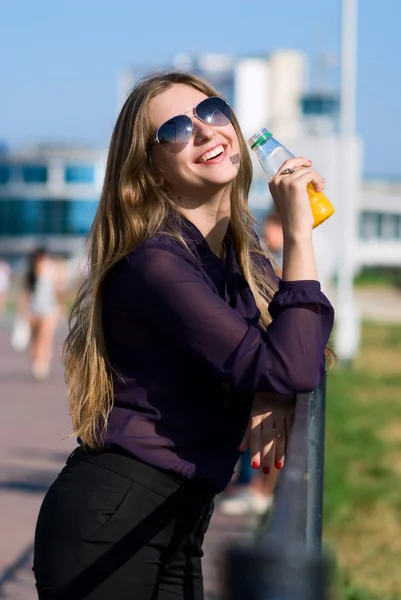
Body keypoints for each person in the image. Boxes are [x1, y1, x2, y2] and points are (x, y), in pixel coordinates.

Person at [33, 71, 335, 599]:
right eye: (175, 129)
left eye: (213, 112)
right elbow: (290, 361)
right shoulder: (157, 261)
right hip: (111, 520)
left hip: (180, 519)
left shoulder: (234, 256)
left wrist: (269, 388)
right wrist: (298, 235)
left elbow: (307, 347)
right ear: (150, 168)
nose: (205, 132)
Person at [19, 247, 65, 380]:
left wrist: (60, 307)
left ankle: (43, 363)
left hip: (49, 310)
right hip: (34, 310)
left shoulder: (52, 271)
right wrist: (23, 311)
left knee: (45, 338)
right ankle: (36, 361)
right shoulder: (30, 273)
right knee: (35, 339)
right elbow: (25, 293)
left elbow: (58, 291)